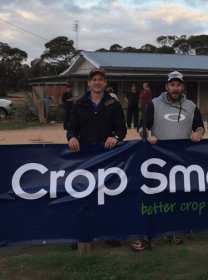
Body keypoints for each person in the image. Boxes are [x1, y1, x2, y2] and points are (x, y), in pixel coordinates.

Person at [134, 71, 205, 251]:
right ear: (167, 86)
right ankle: (149, 232)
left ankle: (175, 230)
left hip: (182, 160)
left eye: (178, 85)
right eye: (172, 85)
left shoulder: (191, 106)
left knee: (177, 195)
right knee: (155, 196)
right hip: (157, 159)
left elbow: (199, 125)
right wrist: (147, 137)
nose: (175, 88)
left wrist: (198, 133)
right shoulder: (154, 104)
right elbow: (142, 126)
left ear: (182, 87)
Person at [66, 69, 127, 248]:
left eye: (101, 79)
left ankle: (110, 233)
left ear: (105, 83)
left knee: (108, 196)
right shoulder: (79, 104)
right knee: (84, 197)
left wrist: (115, 137)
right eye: (94, 79)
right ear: (89, 82)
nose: (97, 82)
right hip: (84, 159)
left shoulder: (113, 104)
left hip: (108, 158)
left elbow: (122, 129)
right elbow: (71, 128)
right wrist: (72, 138)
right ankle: (81, 236)